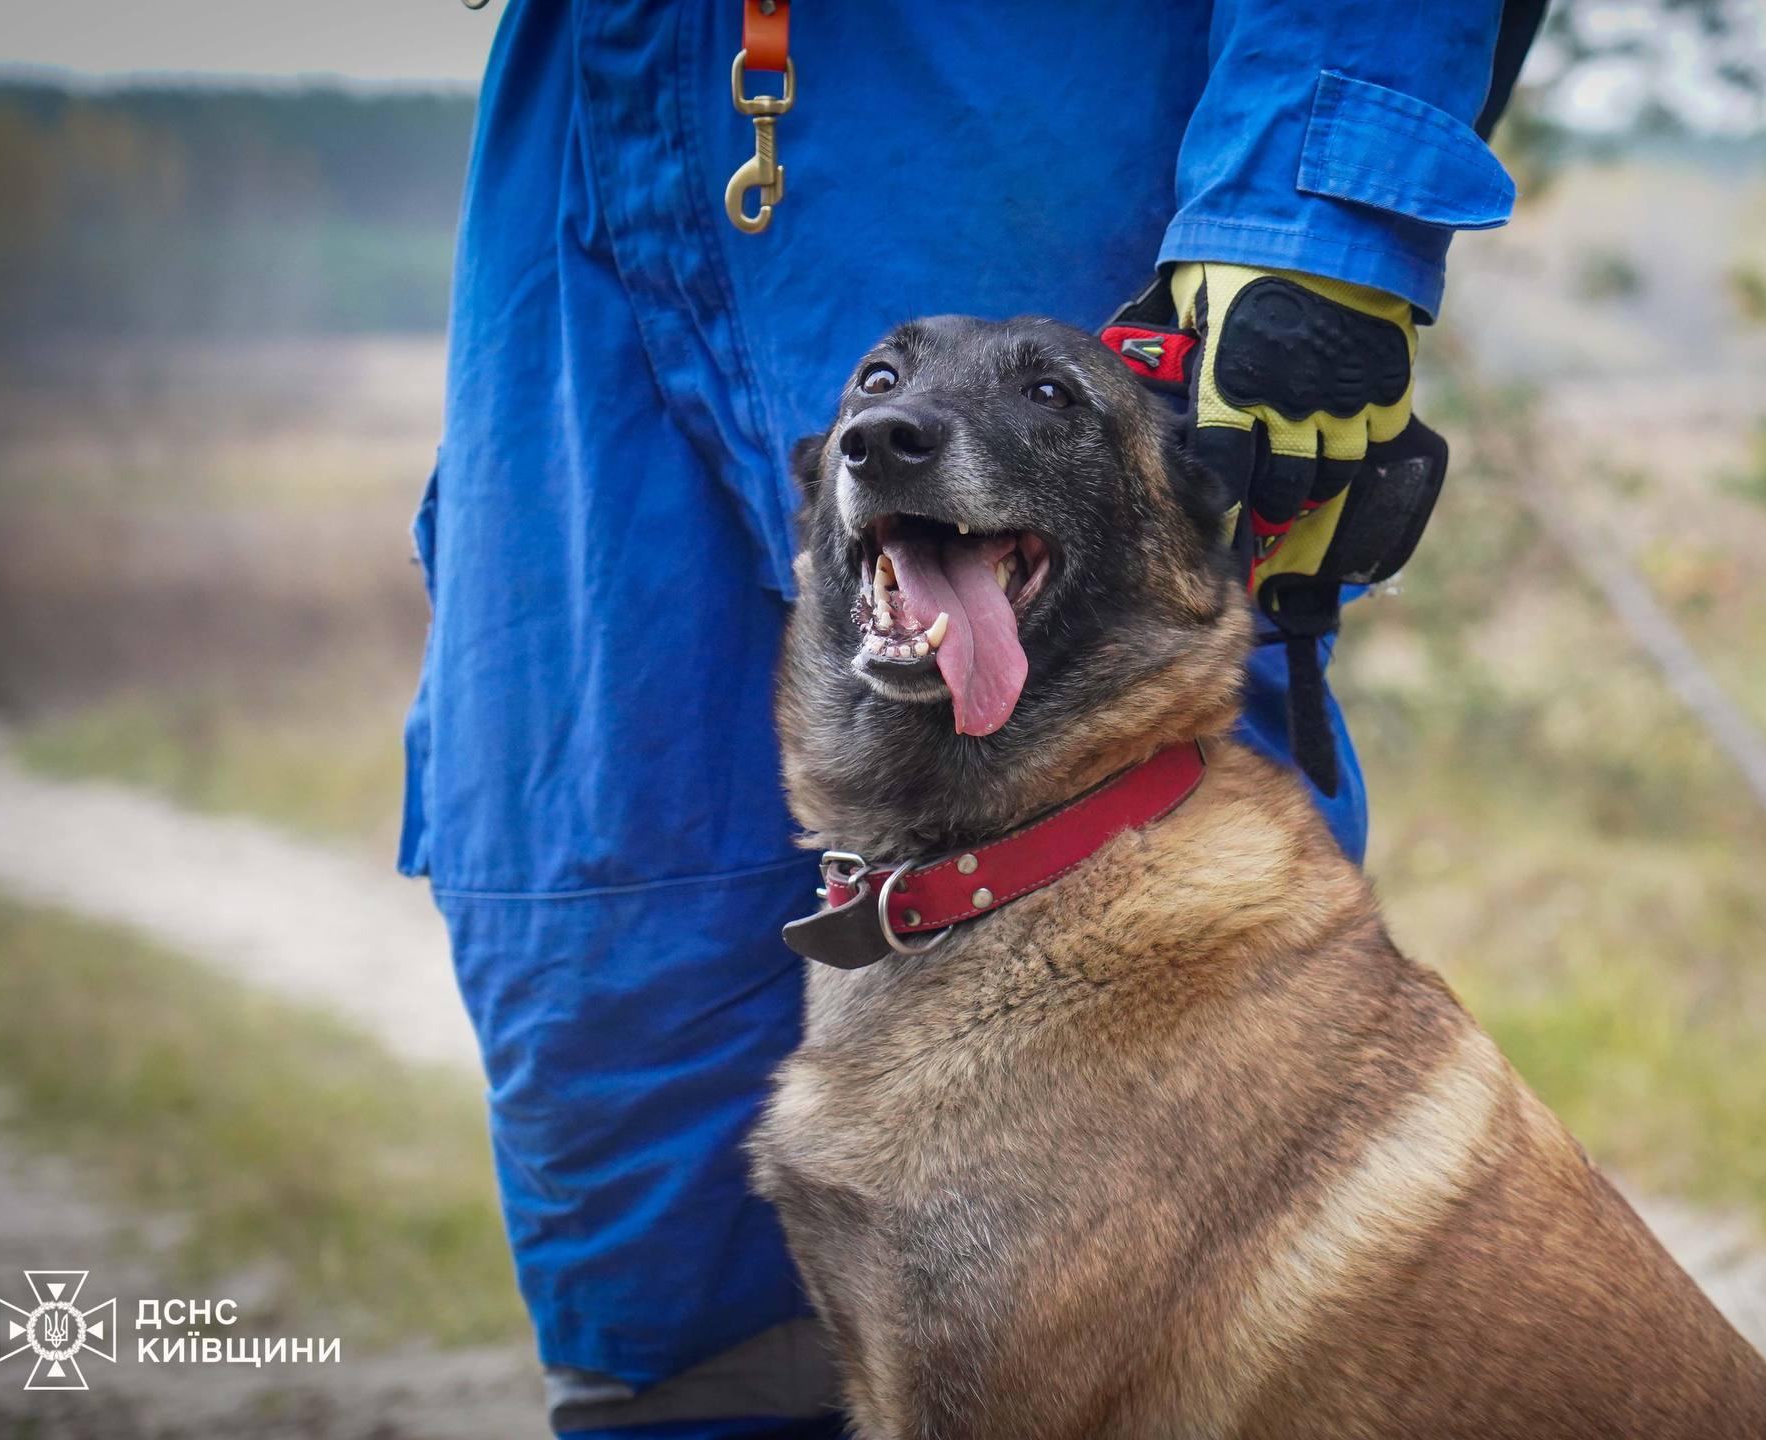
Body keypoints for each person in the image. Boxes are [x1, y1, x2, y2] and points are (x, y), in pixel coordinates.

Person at [403, 2, 1535, 1434]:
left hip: (1018, 92)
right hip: (582, 134)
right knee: (600, 948)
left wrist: (1310, 207)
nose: (886, 433)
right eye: (872, 410)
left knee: (1159, 965)